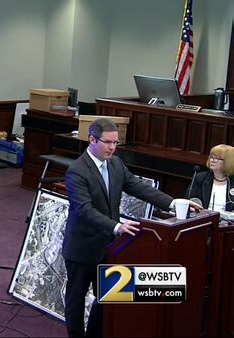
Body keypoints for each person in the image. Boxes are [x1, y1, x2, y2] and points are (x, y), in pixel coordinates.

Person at [61, 118, 200, 337]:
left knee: (108, 297)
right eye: (107, 142)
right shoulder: (77, 171)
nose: (112, 148)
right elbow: (84, 210)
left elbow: (139, 187)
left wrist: (172, 203)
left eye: (115, 143)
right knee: (76, 303)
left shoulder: (116, 164)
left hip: (109, 248)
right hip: (83, 248)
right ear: (92, 140)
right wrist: (116, 226)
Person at [188, 144, 234, 211]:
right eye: (212, 157)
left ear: (228, 162)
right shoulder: (200, 178)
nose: (212, 160)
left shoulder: (232, 181)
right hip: (203, 217)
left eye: (217, 158)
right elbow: (190, 200)